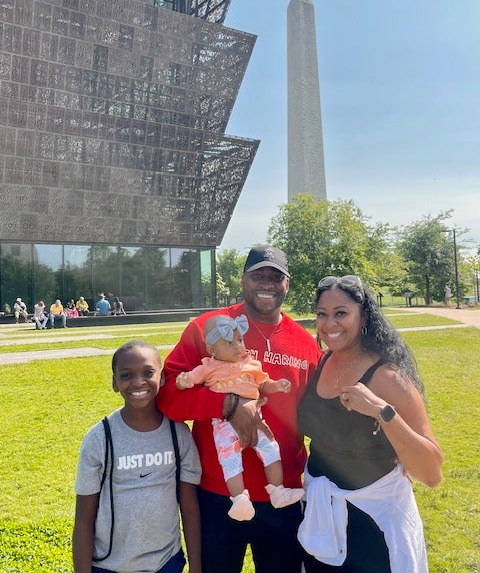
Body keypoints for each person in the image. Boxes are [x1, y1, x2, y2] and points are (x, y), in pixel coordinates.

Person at [157, 245, 320, 573]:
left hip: (283, 495)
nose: (267, 283)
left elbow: (320, 417)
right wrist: (226, 405)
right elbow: (168, 397)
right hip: (219, 494)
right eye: (258, 275)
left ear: (288, 284)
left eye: (276, 277)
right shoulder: (208, 329)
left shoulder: (305, 343)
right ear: (243, 280)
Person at [297, 275, 444, 573]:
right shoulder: (324, 362)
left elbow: (431, 472)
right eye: (322, 314)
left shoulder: (388, 377)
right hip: (322, 521)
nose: (329, 324)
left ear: (363, 316)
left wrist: (382, 411)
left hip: (372, 528)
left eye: (341, 313)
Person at [72, 341, 202, 573]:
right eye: (126, 375)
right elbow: (84, 518)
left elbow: (189, 506)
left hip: (166, 563)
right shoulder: (100, 438)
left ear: (161, 378)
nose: (138, 382)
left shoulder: (178, 433)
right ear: (115, 383)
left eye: (148, 373)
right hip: (109, 566)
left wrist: (196, 566)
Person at [176, 313, 305, 521]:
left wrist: (277, 385)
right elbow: (190, 380)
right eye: (229, 342)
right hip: (224, 424)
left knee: (271, 449)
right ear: (212, 350)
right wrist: (184, 381)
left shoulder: (251, 364)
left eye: (240, 340)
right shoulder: (208, 366)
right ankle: (239, 499)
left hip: (256, 420)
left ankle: (278, 491)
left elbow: (264, 383)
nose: (238, 346)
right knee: (230, 459)